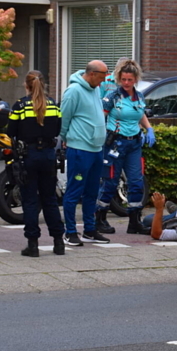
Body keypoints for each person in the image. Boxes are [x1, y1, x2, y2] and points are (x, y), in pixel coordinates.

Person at [7, 71, 65, 257]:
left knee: (30, 200)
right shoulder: (53, 105)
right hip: (48, 155)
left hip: (28, 156)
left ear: (27, 85)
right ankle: (58, 243)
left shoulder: (20, 106)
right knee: (50, 200)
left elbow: (10, 131)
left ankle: (33, 245)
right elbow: (57, 129)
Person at [96, 59, 155, 235]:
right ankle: (99, 219)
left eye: (130, 80)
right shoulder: (112, 97)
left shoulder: (139, 96)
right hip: (116, 143)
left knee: (136, 182)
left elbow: (141, 113)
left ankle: (134, 221)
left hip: (134, 143)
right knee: (111, 182)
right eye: (124, 80)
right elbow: (101, 118)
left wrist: (149, 129)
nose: (127, 83)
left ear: (136, 79)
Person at [60, 60, 111, 246]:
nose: (104, 80)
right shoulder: (74, 91)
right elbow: (64, 117)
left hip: (97, 149)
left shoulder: (95, 88)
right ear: (91, 74)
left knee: (92, 192)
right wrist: (64, 138)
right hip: (80, 149)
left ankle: (89, 229)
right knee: (74, 191)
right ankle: (70, 232)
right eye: (102, 76)